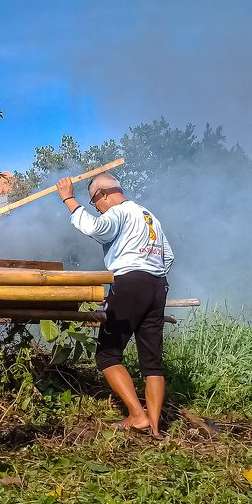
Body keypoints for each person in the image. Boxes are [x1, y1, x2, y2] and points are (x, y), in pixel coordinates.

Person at [56, 172, 173, 436]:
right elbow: (169, 256)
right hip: (158, 284)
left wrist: (69, 199)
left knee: (108, 355)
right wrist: (151, 274)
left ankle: (137, 415)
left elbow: (95, 228)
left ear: (103, 194)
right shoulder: (148, 216)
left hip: (130, 282)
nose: (97, 208)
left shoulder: (120, 211)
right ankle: (154, 428)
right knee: (152, 361)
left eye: (95, 203)